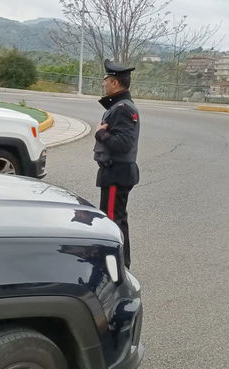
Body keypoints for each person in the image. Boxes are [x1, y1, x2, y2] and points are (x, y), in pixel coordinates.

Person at [93, 59, 140, 268]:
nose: (104, 84)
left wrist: (101, 133)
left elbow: (123, 143)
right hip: (116, 172)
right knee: (116, 220)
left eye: (106, 80)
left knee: (113, 222)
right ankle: (120, 264)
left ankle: (117, 266)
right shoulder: (121, 106)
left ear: (114, 83)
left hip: (116, 172)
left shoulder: (122, 108)